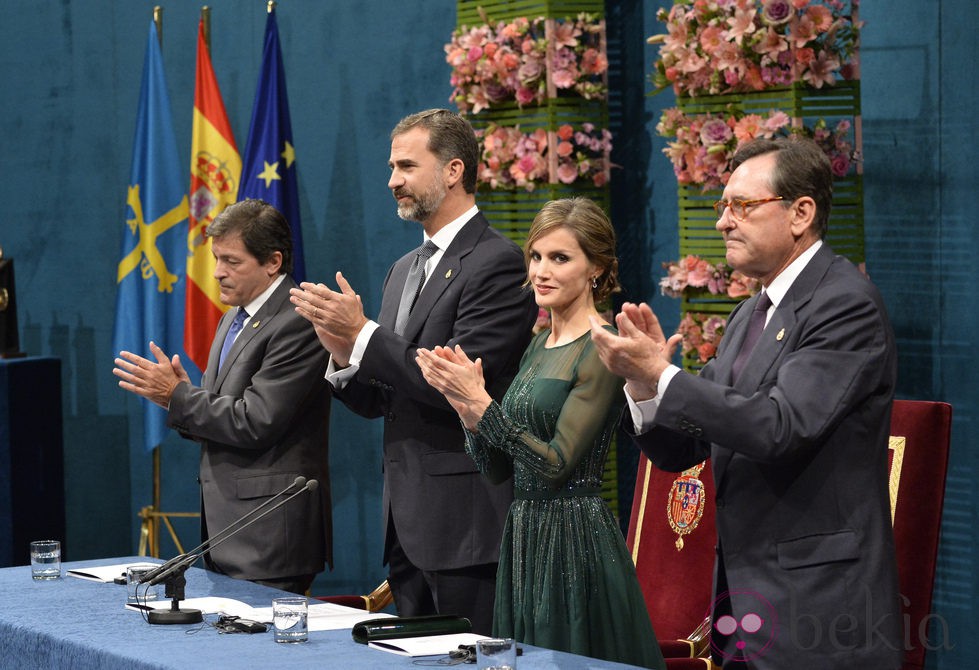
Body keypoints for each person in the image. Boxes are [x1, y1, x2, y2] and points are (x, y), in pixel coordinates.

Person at [590, 137, 902, 668]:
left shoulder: (845, 304)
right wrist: (643, 389)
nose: (723, 222)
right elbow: (680, 450)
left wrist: (663, 374)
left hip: (818, 609)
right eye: (722, 207)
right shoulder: (751, 315)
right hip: (744, 604)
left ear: (801, 212)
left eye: (742, 206)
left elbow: (779, 427)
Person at [289, 109, 537, 634]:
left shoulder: (497, 262)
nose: (392, 181)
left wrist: (362, 334)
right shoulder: (403, 269)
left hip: (466, 526)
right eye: (390, 166)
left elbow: (452, 385)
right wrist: (341, 355)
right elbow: (384, 400)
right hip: (405, 524)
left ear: (452, 170)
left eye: (406, 166)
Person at [415, 198, 666, 669]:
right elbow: (495, 472)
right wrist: (467, 410)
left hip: (575, 543)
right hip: (524, 536)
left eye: (560, 258)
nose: (541, 272)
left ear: (596, 270)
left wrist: (485, 406)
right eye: (536, 256)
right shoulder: (537, 344)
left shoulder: (602, 348)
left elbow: (555, 465)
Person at [113, 198, 332, 595]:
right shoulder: (234, 315)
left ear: (273, 262)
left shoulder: (298, 321)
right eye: (216, 258)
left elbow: (256, 421)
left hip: (270, 536)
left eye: (231, 261)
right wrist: (176, 400)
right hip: (228, 532)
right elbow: (225, 415)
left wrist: (180, 397)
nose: (217, 273)